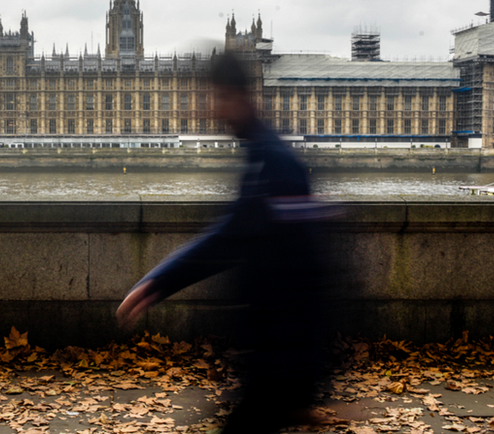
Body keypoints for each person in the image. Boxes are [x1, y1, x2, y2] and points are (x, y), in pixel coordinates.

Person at [116, 52, 332, 434]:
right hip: (270, 358)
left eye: (218, 98)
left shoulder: (277, 163)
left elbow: (309, 269)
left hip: (279, 358)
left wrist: (158, 282)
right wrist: (158, 283)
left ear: (242, 96)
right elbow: (235, 235)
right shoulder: (260, 155)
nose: (210, 110)